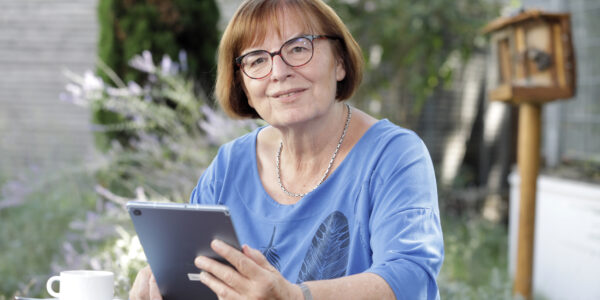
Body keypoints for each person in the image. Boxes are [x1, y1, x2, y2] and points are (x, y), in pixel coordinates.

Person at [129, 0, 444, 299]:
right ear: (245, 90)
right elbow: (197, 277)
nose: (278, 72)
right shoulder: (230, 164)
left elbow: (411, 278)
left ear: (340, 63)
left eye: (298, 48)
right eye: (257, 60)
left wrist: (295, 297)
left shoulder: (394, 154)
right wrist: (162, 286)